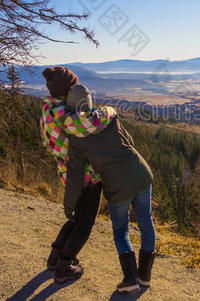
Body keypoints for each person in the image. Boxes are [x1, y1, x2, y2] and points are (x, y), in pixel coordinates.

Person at [54, 73, 156, 293]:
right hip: (141, 173)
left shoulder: (76, 139)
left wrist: (69, 206)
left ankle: (130, 279)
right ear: (90, 103)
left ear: (72, 108)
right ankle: (144, 277)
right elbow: (130, 142)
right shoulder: (108, 117)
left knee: (121, 230)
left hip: (118, 185)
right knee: (146, 223)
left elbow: (75, 176)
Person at [40, 67, 115, 283]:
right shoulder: (63, 116)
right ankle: (64, 267)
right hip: (85, 176)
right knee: (84, 224)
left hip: (67, 172)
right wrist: (110, 110)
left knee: (76, 218)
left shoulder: (48, 109)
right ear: (67, 90)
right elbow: (94, 121)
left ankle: (55, 257)